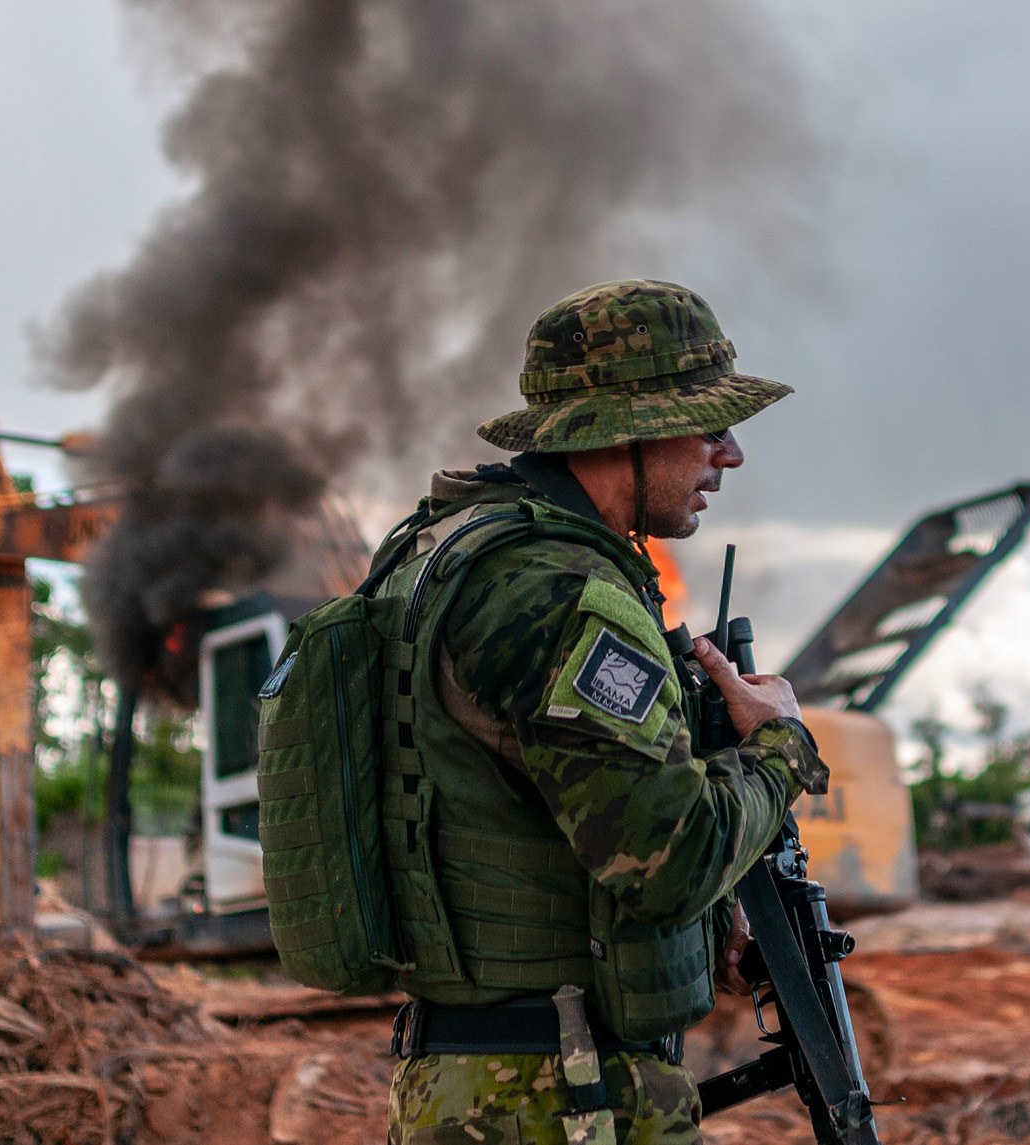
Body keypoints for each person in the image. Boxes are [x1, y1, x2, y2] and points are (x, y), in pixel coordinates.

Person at [380, 280, 829, 1145]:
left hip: (492, 1082)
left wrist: (708, 929)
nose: (729, 455)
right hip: (558, 1095)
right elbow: (669, 861)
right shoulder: (563, 595)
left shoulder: (451, 550)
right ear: (627, 426)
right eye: (710, 424)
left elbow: (535, 818)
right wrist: (781, 741)